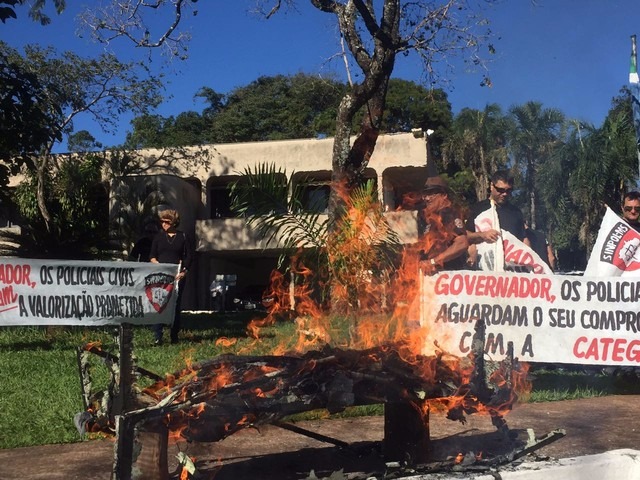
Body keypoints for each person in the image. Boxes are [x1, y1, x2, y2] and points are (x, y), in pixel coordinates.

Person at [465, 170, 530, 269]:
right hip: (483, 270)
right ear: (492, 186)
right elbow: (464, 236)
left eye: (508, 191)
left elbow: (523, 238)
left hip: (512, 272)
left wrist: (530, 260)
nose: (504, 194)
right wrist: (482, 235)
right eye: (500, 190)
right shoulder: (477, 209)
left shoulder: (516, 212)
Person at [150, 209, 194, 345]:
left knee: (175, 306)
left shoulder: (183, 237)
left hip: (177, 277)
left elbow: (188, 257)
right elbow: (152, 256)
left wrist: (184, 271)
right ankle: (158, 336)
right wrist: (158, 265)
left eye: (167, 222)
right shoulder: (158, 237)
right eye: (162, 222)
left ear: (174, 222)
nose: (164, 224)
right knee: (159, 304)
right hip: (161, 276)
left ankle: (174, 336)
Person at [417, 176, 469, 275]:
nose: (427, 198)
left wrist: (433, 262)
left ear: (444, 195)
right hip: (431, 279)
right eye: (425, 194)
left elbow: (462, 243)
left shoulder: (448, 214)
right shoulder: (429, 218)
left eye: (432, 194)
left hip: (449, 279)